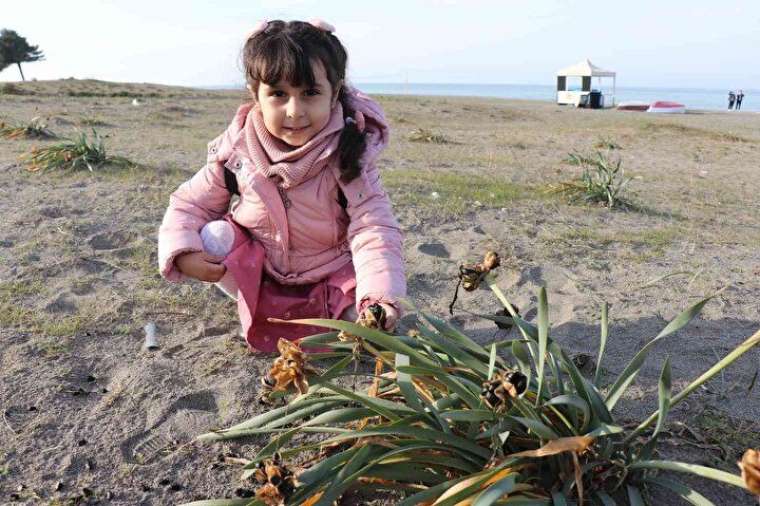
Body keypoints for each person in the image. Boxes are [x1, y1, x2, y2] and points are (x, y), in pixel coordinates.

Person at [157, 19, 406, 352]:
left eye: (310, 93)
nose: (294, 111)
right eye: (278, 94)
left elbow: (374, 231)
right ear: (255, 94)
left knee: (365, 324)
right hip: (263, 270)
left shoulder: (350, 158)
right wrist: (183, 251)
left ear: (335, 93)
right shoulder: (236, 154)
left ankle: (345, 310)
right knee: (214, 235)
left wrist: (378, 298)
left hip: (329, 272)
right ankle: (257, 300)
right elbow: (191, 204)